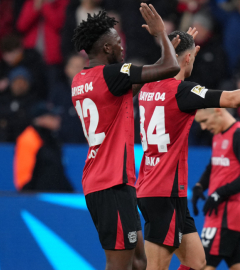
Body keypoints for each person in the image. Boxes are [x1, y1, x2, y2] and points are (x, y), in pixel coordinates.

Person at [135, 31, 240, 270]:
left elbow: (169, 69)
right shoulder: (183, 91)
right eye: (191, 58)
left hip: (164, 189)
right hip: (162, 191)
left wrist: (181, 50)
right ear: (188, 59)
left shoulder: (147, 86)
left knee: (197, 263)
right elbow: (231, 99)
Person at [71, 5, 180, 270]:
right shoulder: (113, 75)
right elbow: (171, 67)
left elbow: (148, 75)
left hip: (105, 181)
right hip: (111, 182)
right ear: (107, 48)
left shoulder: (80, 79)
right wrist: (161, 35)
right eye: (118, 42)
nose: (123, 47)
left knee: (139, 261)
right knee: (119, 265)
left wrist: (167, 50)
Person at [192, 108, 240, 270]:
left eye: (204, 121)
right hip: (224, 218)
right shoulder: (218, 133)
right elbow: (213, 164)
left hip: (225, 217)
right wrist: (200, 185)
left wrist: (219, 193)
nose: (202, 127)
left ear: (218, 111)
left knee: (201, 265)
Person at [14, 102, 73, 192]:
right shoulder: (29, 138)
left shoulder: (52, 138)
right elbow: (24, 178)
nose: (58, 119)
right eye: (52, 116)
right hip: (37, 198)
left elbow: (58, 173)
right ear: (40, 119)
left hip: (55, 195)